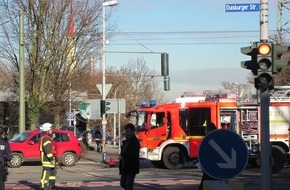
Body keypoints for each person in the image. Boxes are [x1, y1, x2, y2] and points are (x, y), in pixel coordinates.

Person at [118, 123, 140, 190]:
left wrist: (123, 156)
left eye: (128, 132)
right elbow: (123, 151)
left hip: (131, 166)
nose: (127, 133)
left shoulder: (135, 142)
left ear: (133, 132)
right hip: (124, 166)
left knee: (128, 185)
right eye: (126, 132)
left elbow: (131, 153)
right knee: (123, 183)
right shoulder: (125, 141)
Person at [198, 121, 217, 190]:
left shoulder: (208, 139)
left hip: (209, 169)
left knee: (205, 184)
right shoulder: (219, 137)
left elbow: (204, 154)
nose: (205, 131)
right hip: (219, 170)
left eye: (207, 129)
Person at [39, 123, 57, 190]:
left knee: (53, 172)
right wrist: (51, 158)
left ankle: (52, 186)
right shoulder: (46, 139)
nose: (51, 130)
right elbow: (47, 151)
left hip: (51, 160)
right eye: (50, 129)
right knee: (46, 173)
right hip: (47, 160)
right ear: (47, 129)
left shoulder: (48, 138)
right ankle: (43, 186)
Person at [0, 126, 12, 190]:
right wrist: (4, 159)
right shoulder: (5, 143)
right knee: (1, 182)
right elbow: (10, 156)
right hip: (1, 165)